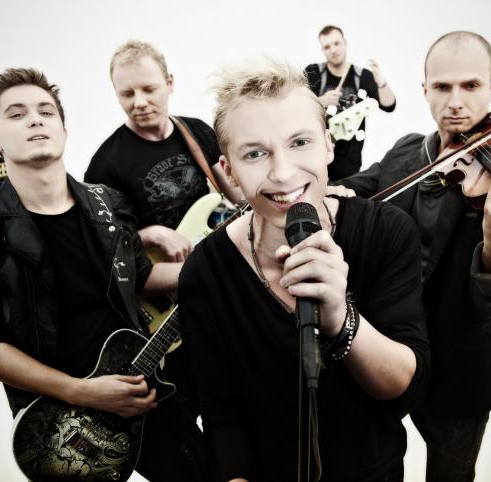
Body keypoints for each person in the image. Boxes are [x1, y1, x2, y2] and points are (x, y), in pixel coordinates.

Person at [0, 68, 213, 481]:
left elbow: (141, 278)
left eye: (46, 112)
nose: (35, 120)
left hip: (139, 382)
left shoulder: (107, 203)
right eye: (17, 114)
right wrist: (80, 391)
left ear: (63, 129)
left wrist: (215, 266)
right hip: (63, 421)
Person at [178, 58, 429, 481]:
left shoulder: (386, 232)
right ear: (229, 171)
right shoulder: (204, 272)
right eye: (255, 153)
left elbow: (404, 387)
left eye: (299, 142)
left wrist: (341, 318)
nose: (283, 173)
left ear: (328, 145)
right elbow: (221, 412)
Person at [333, 31, 491, 481]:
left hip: (460, 367)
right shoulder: (407, 151)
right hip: (385, 350)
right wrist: (328, 187)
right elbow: (356, 188)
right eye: (443, 87)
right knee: (369, 466)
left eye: (471, 85)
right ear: (424, 89)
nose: (456, 102)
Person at [85, 40, 241, 268]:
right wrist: (152, 235)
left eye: (149, 89)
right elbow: (101, 241)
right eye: (127, 94)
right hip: (164, 275)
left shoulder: (196, 131)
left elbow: (238, 196)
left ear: (169, 83)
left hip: (215, 255)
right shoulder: (105, 164)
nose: (139, 102)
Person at [305, 25, 396, 181]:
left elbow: (389, 105)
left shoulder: (362, 76)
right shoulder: (313, 72)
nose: (333, 50)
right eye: (327, 47)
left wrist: (380, 81)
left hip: (349, 161)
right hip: (316, 155)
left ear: (345, 43)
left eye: (336, 43)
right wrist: (320, 101)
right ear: (322, 50)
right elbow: (294, 107)